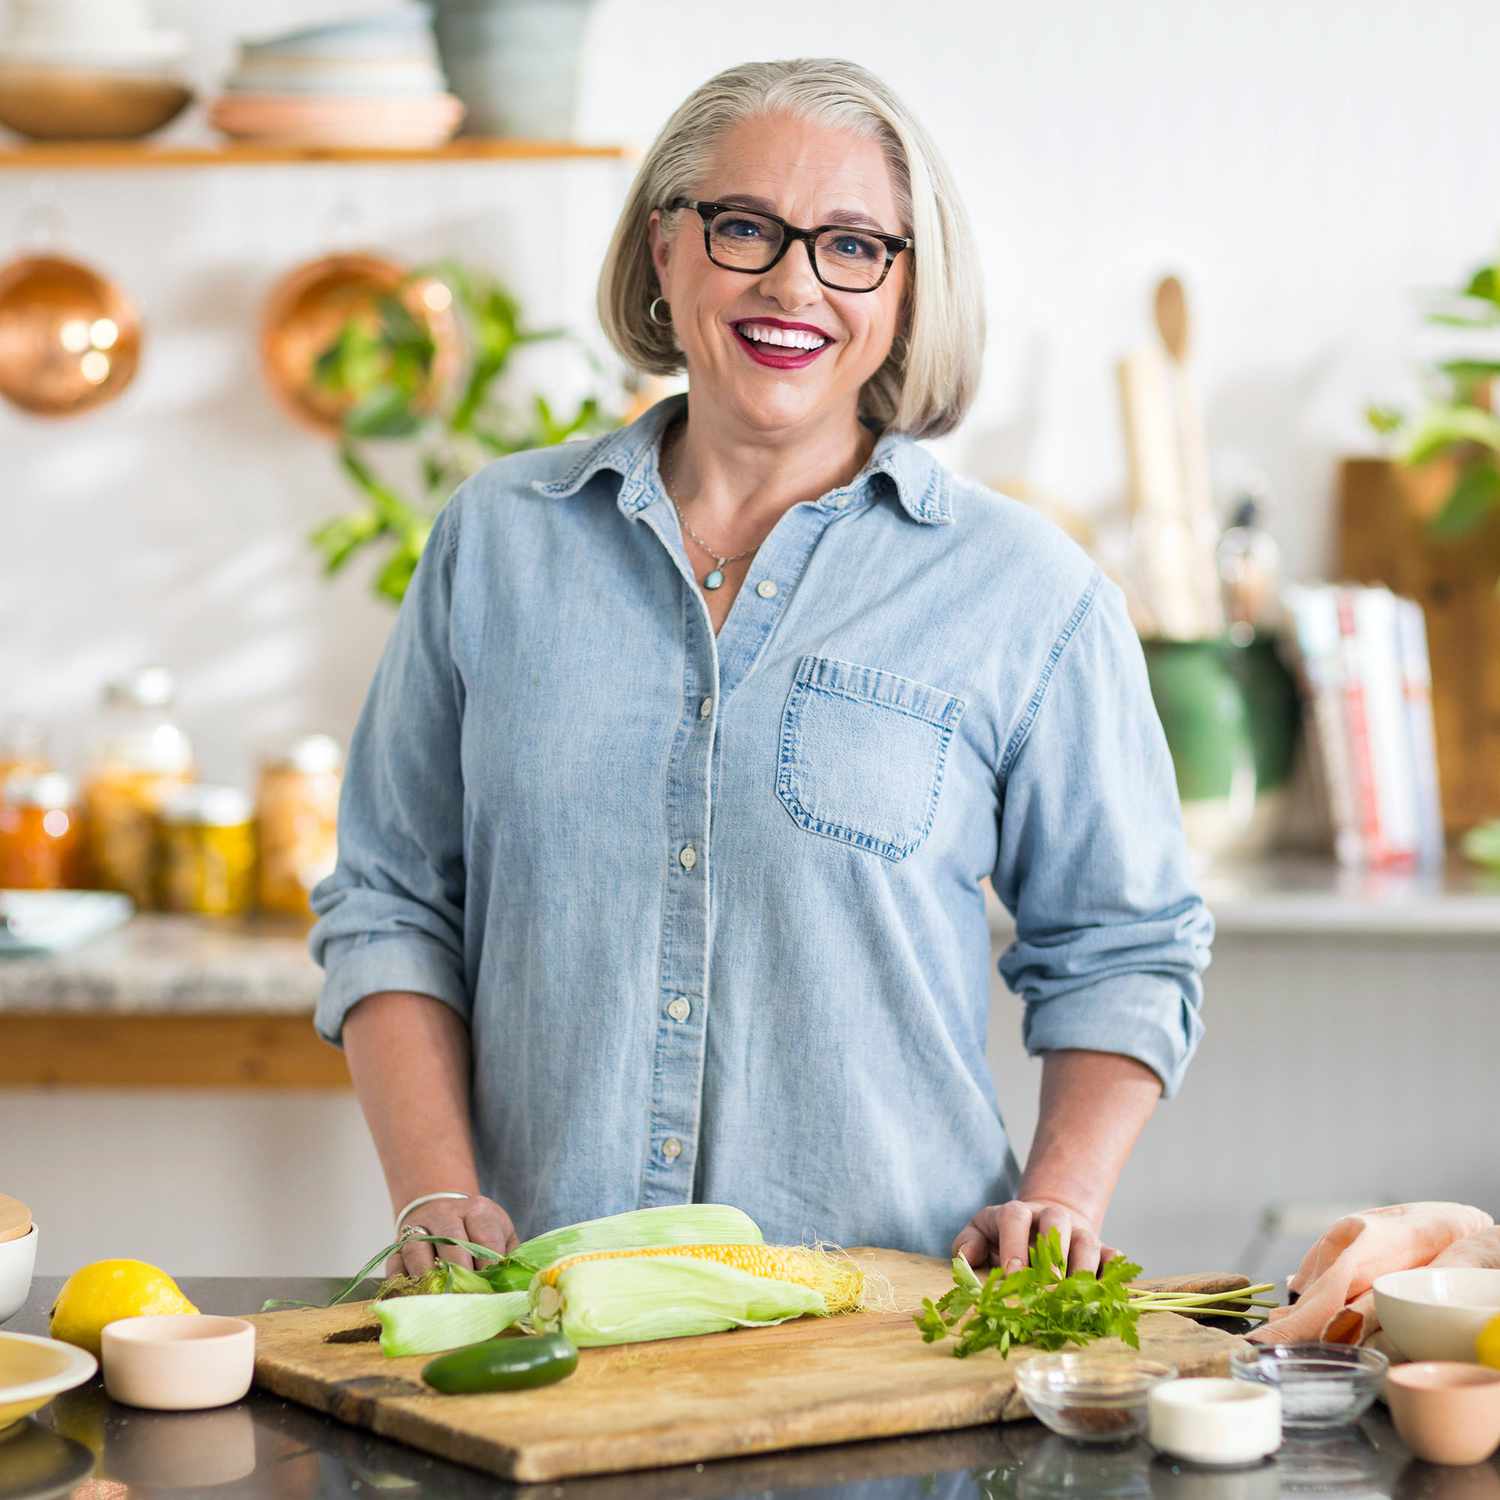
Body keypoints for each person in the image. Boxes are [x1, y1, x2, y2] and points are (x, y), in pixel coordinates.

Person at [309, 57, 1213, 1284]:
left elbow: (1125, 945)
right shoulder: (499, 541)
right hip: (545, 1326)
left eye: (853, 246)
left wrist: (1057, 1198)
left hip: (895, 1331)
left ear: (904, 288)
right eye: (746, 228)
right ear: (664, 250)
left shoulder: (1026, 592)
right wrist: (434, 1191)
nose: (795, 282)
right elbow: (393, 903)